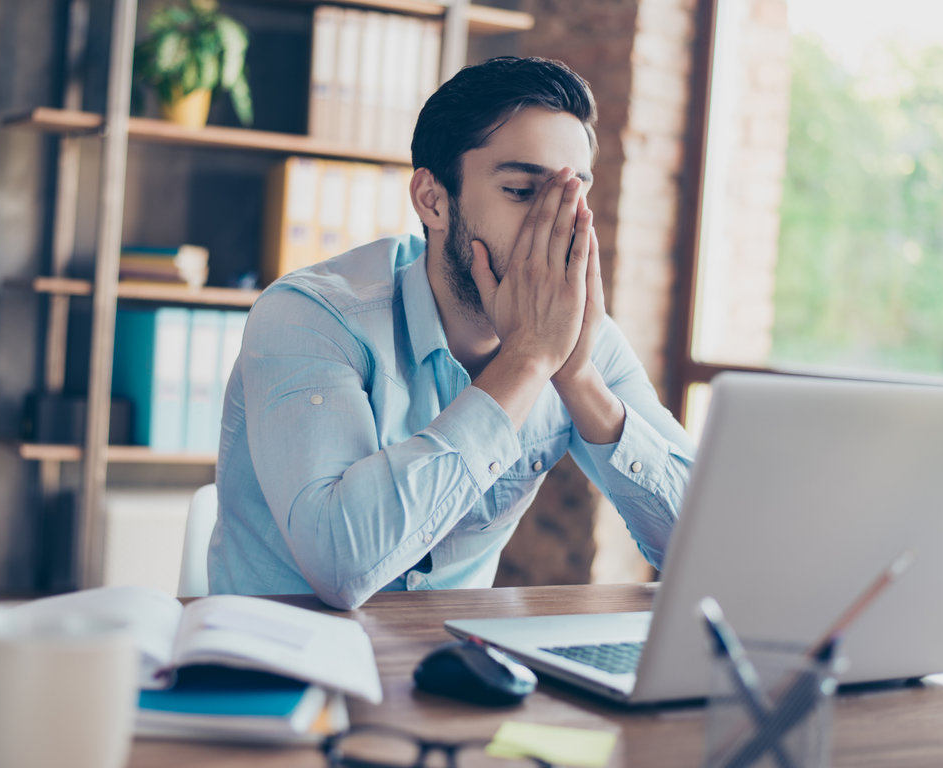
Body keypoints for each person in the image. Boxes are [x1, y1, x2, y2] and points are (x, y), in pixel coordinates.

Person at [209, 56, 696, 609]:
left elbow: (709, 548)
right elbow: (339, 566)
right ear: (432, 200)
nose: (553, 226)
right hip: (282, 666)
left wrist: (580, 379)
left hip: (448, 664)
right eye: (521, 191)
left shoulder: (580, 337)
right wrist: (527, 361)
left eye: (571, 196)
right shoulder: (310, 316)